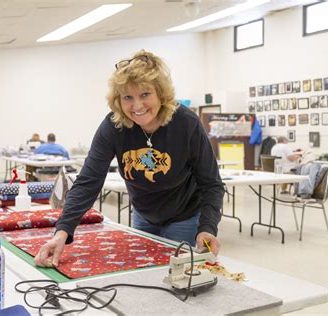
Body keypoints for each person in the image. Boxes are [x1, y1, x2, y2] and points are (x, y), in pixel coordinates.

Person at [34, 50, 224, 268]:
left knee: (181, 279)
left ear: (161, 94)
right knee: (143, 273)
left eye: (145, 94)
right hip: (143, 215)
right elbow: (88, 181)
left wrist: (208, 227)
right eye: (128, 97)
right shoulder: (114, 126)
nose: (137, 106)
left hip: (185, 217)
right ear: (118, 100)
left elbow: (211, 183)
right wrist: (62, 232)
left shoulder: (186, 123)